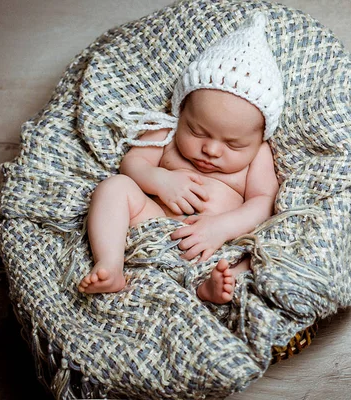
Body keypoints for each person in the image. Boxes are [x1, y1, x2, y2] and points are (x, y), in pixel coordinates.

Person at [77, 13, 285, 304]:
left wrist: (221, 227)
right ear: (181, 109)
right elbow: (132, 164)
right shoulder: (166, 130)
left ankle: (207, 289)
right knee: (114, 187)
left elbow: (264, 202)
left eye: (234, 144)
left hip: (214, 246)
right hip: (153, 224)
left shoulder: (258, 156)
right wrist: (159, 179)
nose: (211, 150)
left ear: (259, 138)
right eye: (197, 131)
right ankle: (111, 264)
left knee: (261, 257)